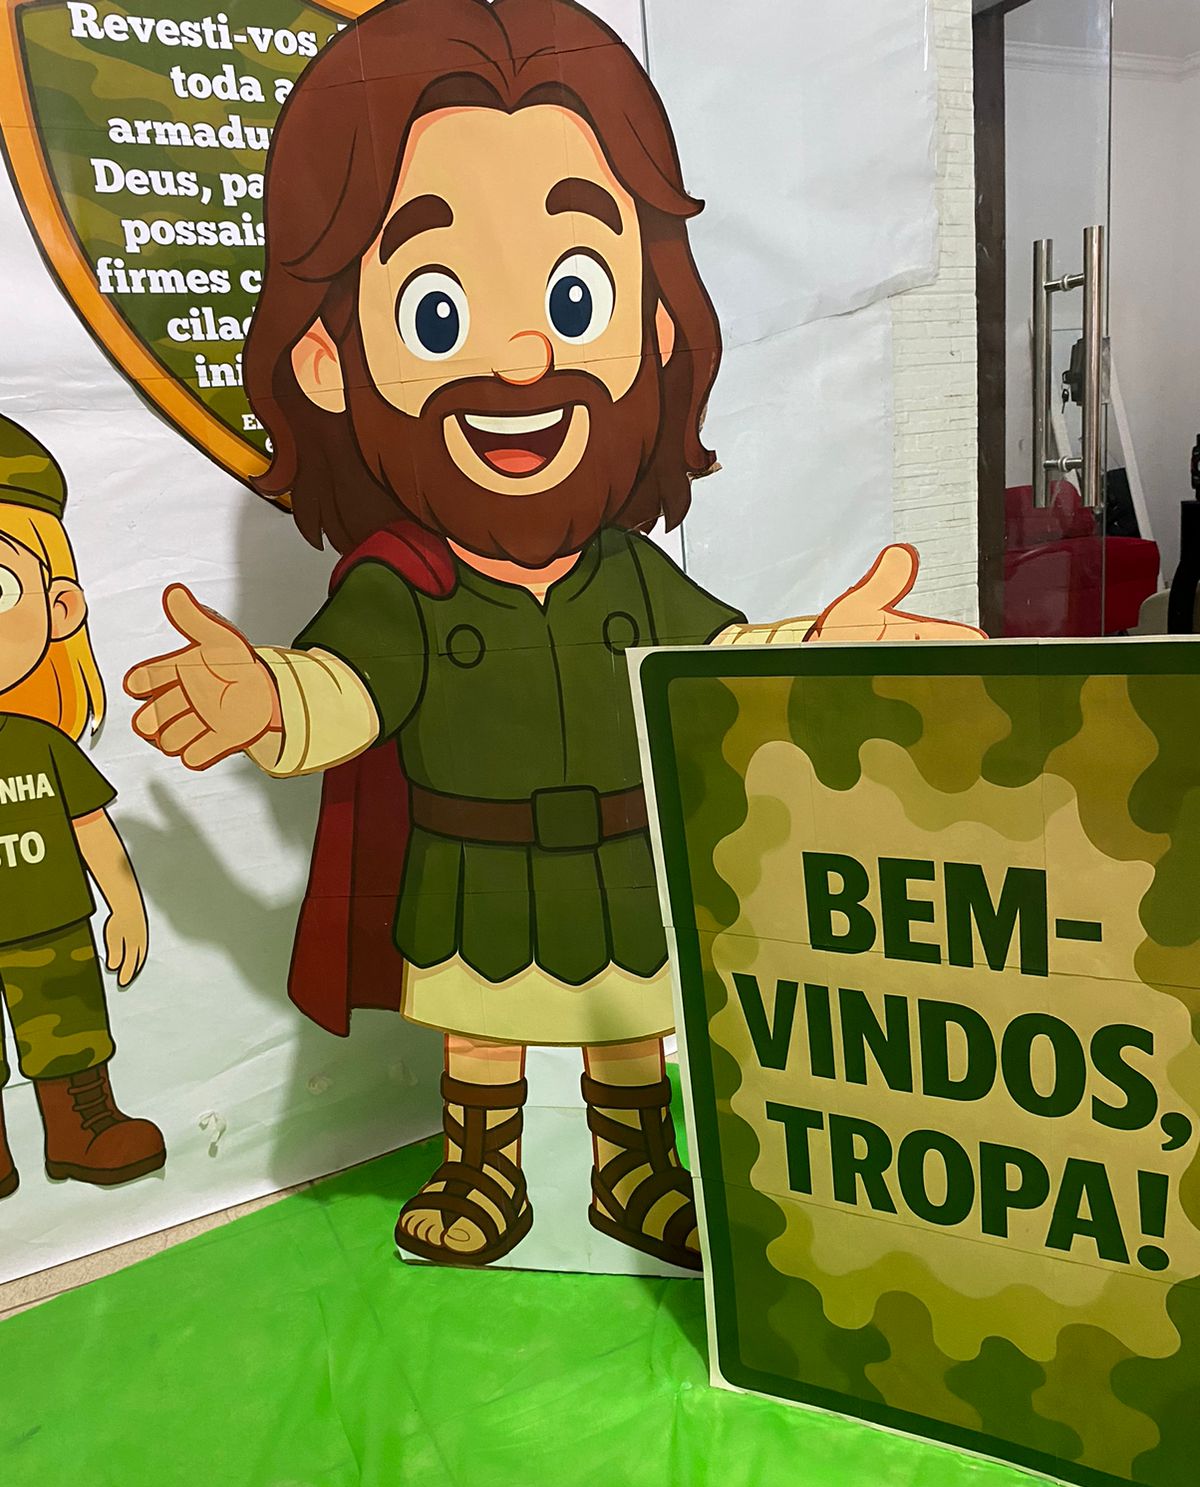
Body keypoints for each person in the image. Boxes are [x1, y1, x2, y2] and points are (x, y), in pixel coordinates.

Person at [125, 0, 979, 1269]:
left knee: (631, 1028)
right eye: (437, 310)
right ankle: (484, 1169)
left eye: (576, 295)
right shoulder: (405, 586)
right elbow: (346, 689)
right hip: (472, 869)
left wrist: (816, 652)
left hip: (622, 863)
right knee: (483, 1034)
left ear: (653, 327)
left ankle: (636, 1170)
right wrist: (268, 702)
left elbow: (712, 667)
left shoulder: (631, 571)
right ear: (324, 357)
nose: (526, 353)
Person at [0, 415, 162, 1200]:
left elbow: (90, 825)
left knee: (67, 1028)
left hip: (53, 928)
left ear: (60, 608)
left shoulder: (41, 741)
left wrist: (125, 904)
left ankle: (82, 1128)